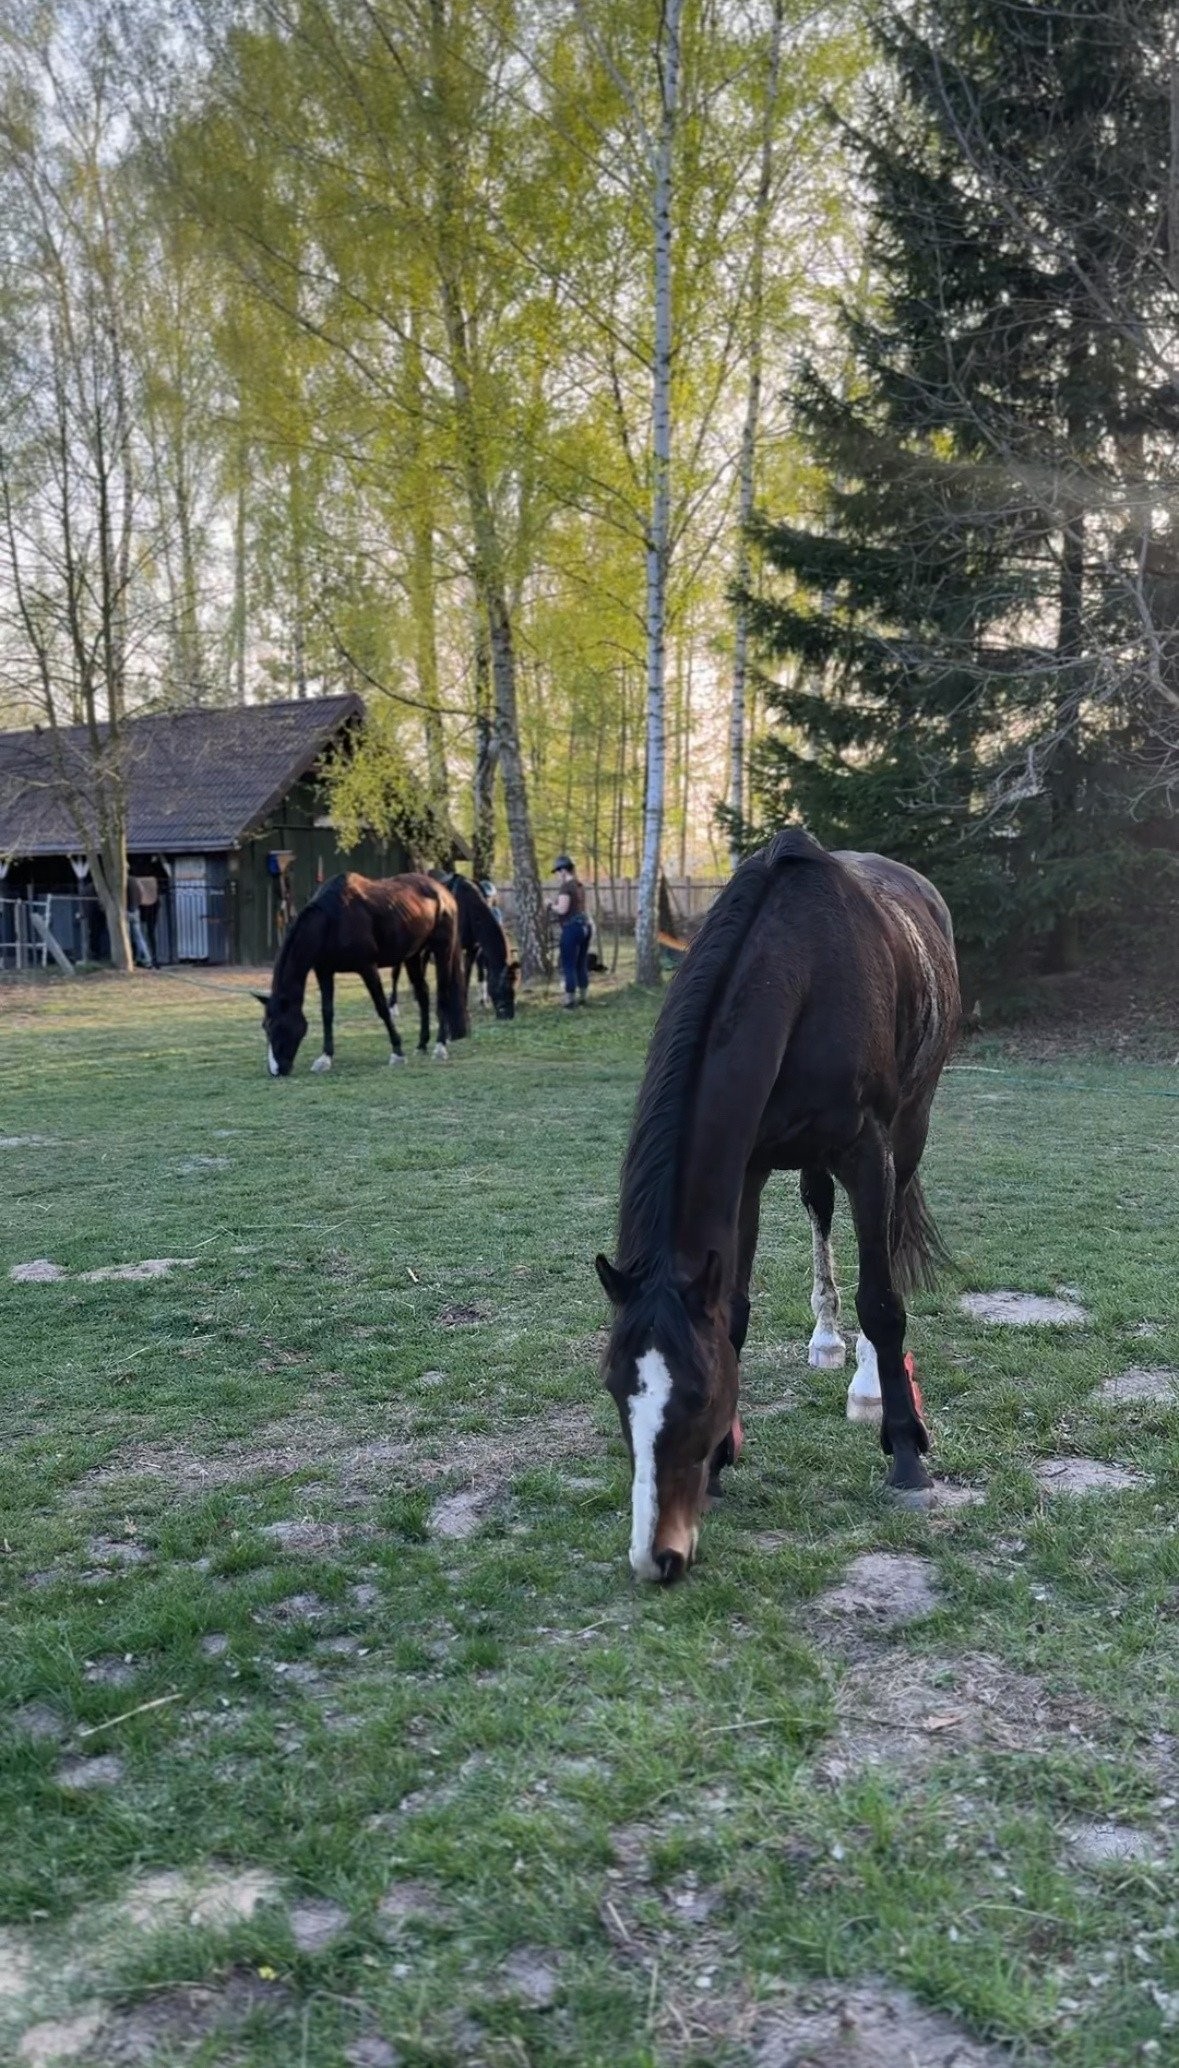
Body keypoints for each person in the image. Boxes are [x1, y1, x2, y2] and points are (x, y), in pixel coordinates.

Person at [547, 855, 591, 1008]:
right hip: (585, 927)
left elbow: (563, 909)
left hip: (572, 928)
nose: (557, 876)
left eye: (558, 872)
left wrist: (550, 905)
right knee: (581, 963)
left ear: (564, 871)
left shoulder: (566, 887)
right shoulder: (579, 885)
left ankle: (570, 1000)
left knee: (568, 964)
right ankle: (583, 996)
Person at [126, 875, 153, 970]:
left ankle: (130, 959)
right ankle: (146, 959)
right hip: (136, 910)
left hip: (126, 911)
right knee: (139, 937)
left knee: (127, 937)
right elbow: (141, 894)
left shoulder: (123, 883)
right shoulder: (136, 881)